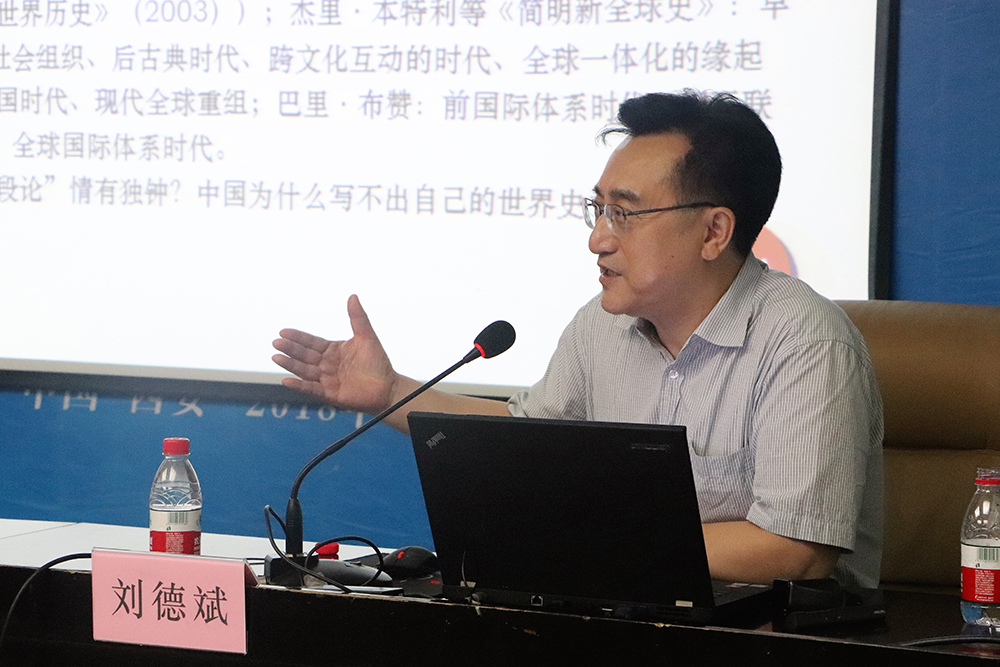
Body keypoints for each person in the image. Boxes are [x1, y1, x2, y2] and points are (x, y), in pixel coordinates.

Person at [272, 90, 884, 589]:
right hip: (635, 613)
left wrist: (590, 544)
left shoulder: (805, 342)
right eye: (597, 210)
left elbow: (796, 550)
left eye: (625, 213)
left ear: (713, 231)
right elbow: (525, 434)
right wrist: (390, 392)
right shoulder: (603, 325)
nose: (598, 239)